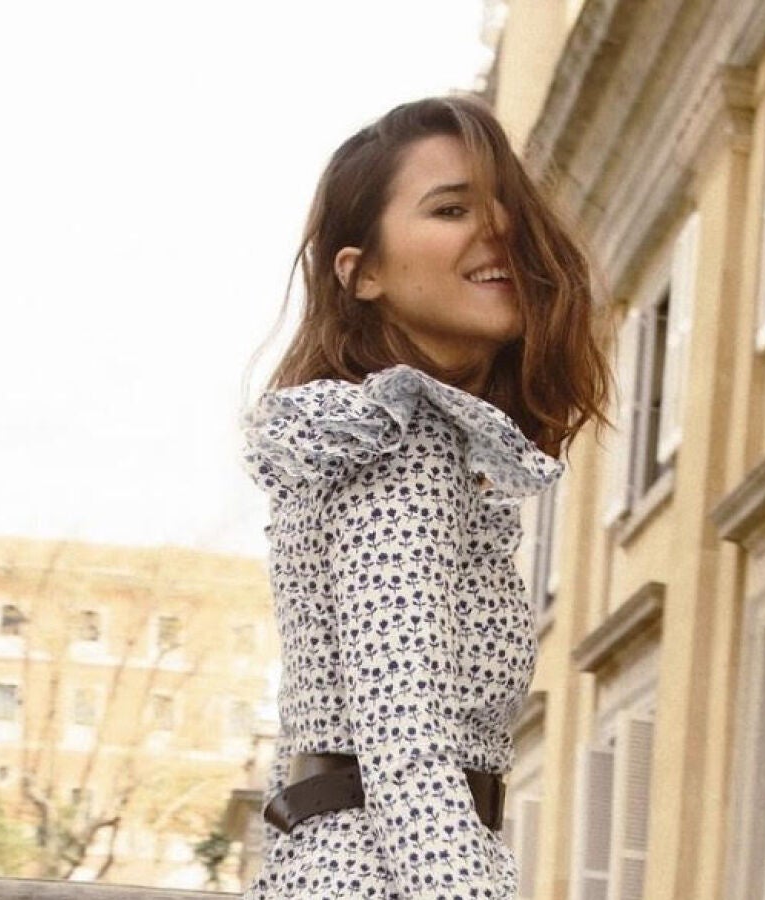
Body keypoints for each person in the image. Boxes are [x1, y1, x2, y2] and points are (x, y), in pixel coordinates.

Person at [238, 93, 609, 899]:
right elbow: (403, 744)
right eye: (450, 209)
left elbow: (325, 737)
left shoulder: (358, 440)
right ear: (361, 273)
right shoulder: (401, 443)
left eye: (505, 206)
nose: (499, 228)